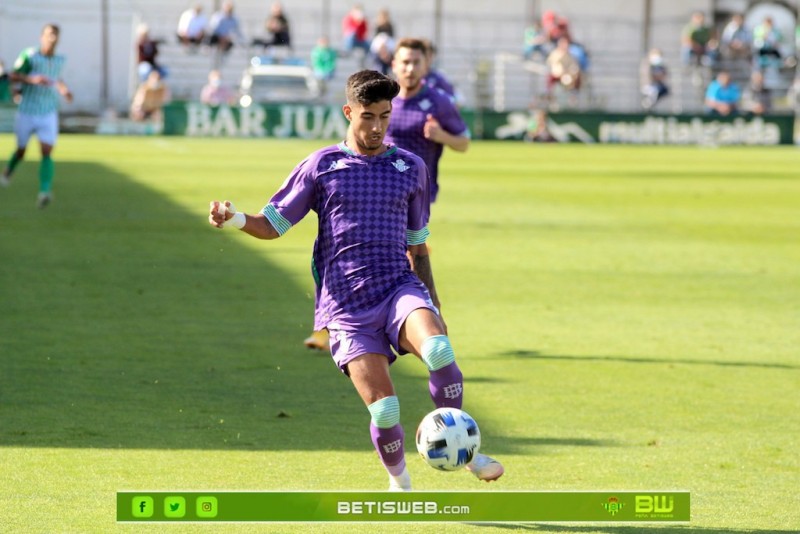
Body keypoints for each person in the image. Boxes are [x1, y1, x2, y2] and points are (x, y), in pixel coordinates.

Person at [208, 69, 503, 491]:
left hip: (398, 286)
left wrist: (433, 305)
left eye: (385, 116)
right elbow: (271, 225)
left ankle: (468, 454)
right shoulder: (322, 166)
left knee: (438, 348)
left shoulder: (409, 167)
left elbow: (417, 246)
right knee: (384, 412)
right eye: (368, 116)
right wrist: (234, 218)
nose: (377, 127)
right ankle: (399, 482)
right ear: (349, 112)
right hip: (345, 306)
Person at [1, 23, 73, 208]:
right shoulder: (30, 56)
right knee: (21, 150)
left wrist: (65, 91)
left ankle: (44, 191)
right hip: (27, 110)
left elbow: (57, 79)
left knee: (47, 151)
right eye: (49, 34)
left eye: (55, 35)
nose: (52, 38)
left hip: (48, 111)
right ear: (42, 36)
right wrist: (31, 79)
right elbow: (13, 75)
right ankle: (8, 171)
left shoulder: (60, 60)